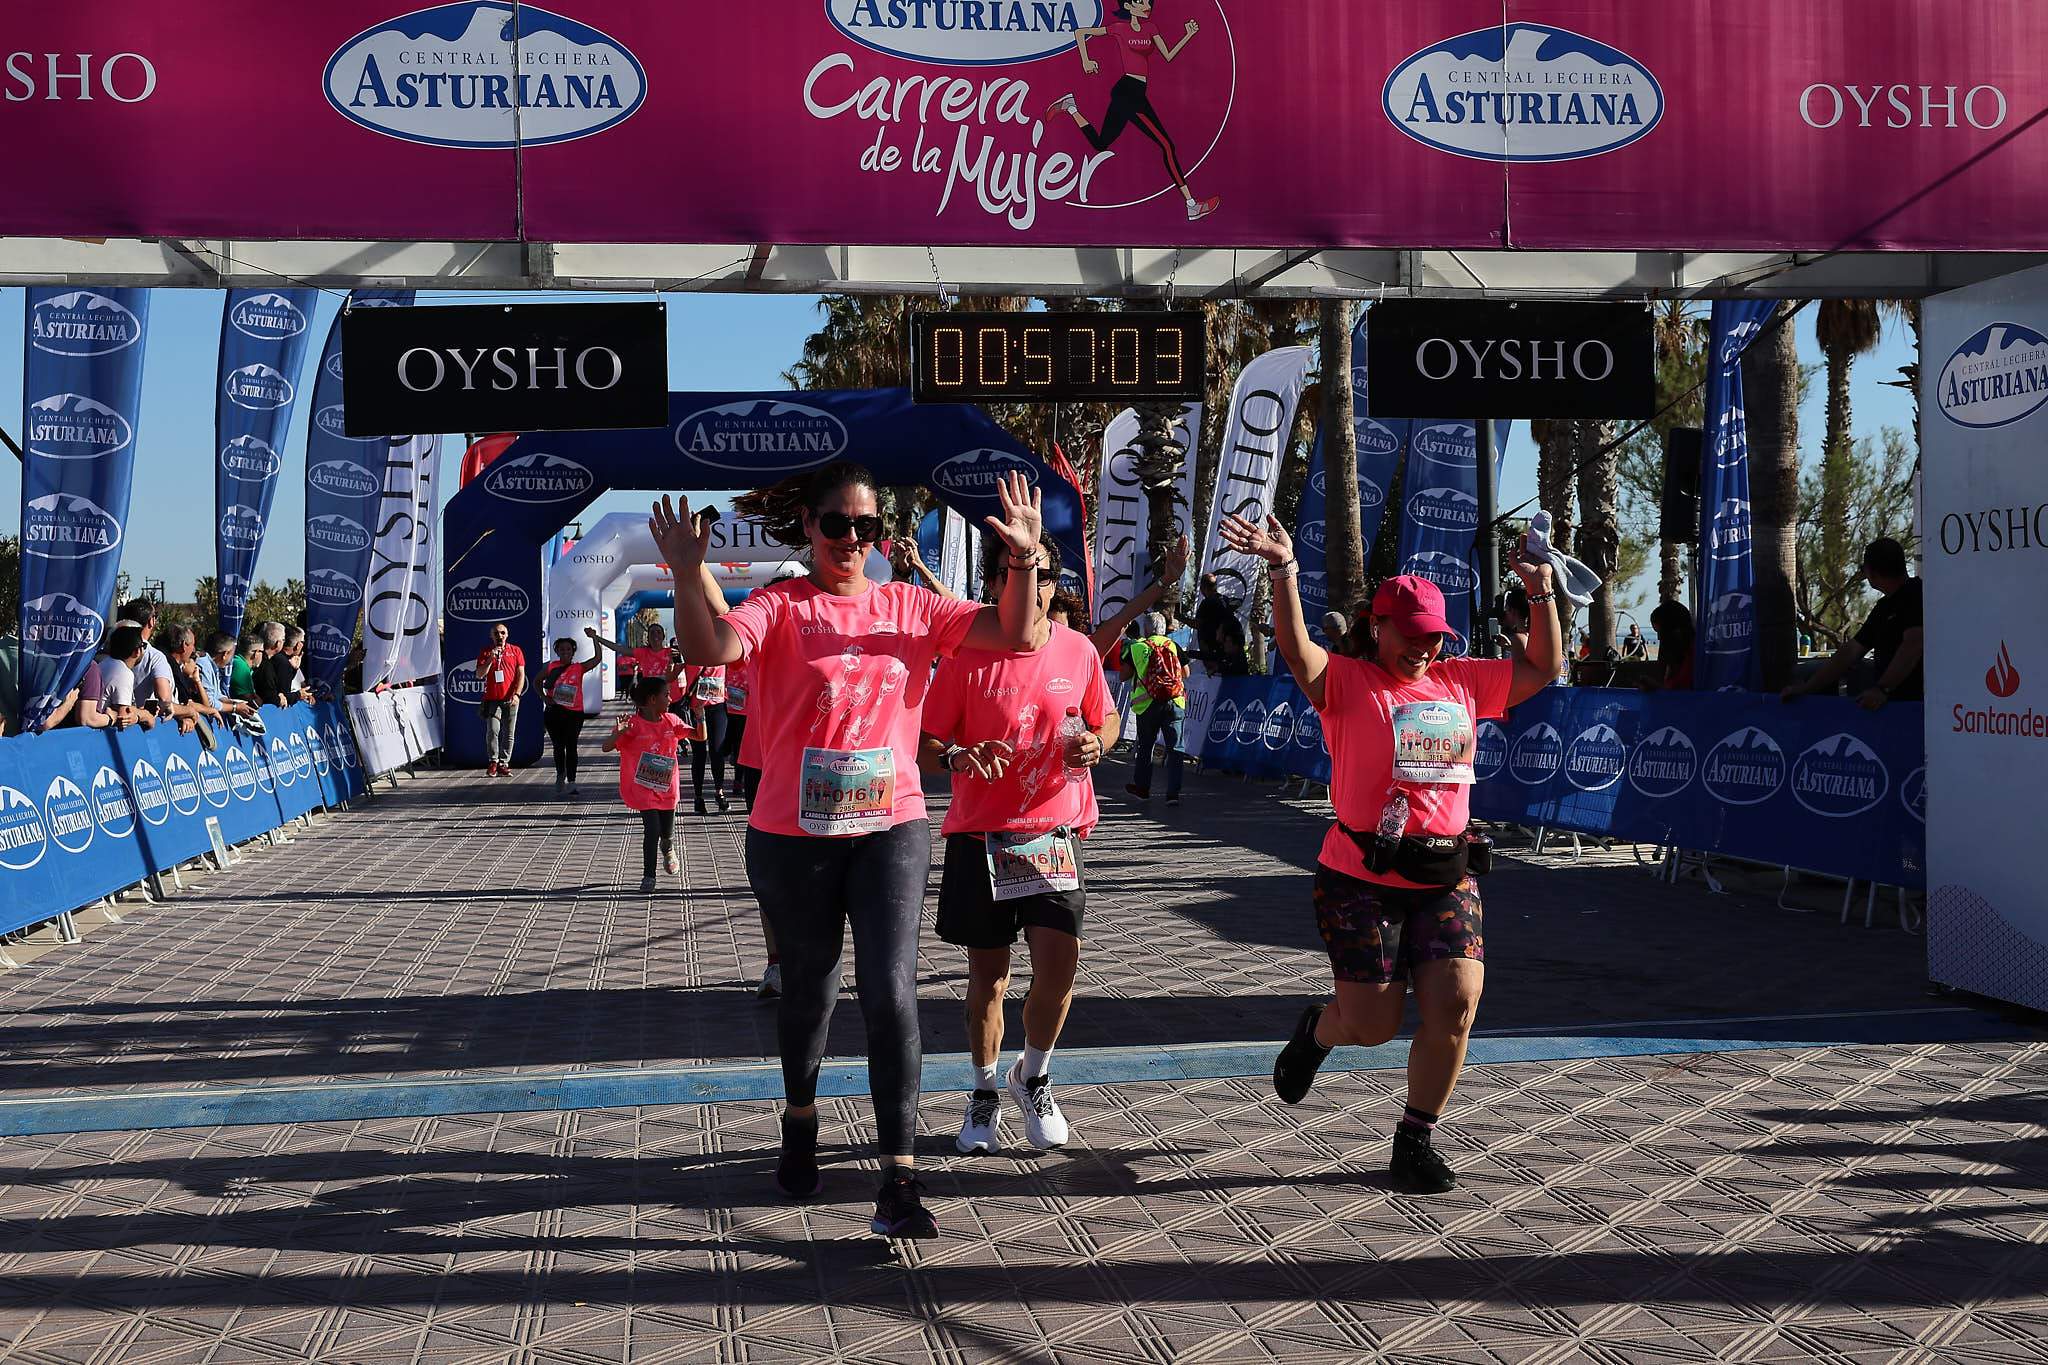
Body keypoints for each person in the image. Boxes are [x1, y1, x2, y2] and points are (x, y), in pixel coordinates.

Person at [649, 463, 1040, 1241]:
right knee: (811, 990)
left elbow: (1017, 633)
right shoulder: (782, 606)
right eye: (837, 524)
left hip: (890, 825)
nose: (851, 539)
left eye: (866, 527)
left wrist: (1025, 558)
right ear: (810, 526)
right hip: (792, 834)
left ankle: (899, 1179)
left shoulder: (911, 605)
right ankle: (800, 1116)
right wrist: (689, 574)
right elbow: (711, 646)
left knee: (890, 988)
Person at [1217, 511, 1561, 1194]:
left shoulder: (1463, 680)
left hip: (1446, 873)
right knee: (1372, 1024)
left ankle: (1415, 1137)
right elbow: (1297, 652)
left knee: (1457, 1002)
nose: (1423, 648)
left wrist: (1542, 590)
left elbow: (1544, 666)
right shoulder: (1347, 681)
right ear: (1378, 627)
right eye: (1411, 634)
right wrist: (1284, 570)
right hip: (1361, 877)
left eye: (1434, 636)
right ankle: (1318, 1032)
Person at [920, 532, 1118, 1156]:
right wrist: (958, 755)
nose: (1031, 589)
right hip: (981, 837)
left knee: (1059, 968)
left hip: (1054, 834)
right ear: (993, 586)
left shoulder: (1078, 649)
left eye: (1042, 577)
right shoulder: (964, 657)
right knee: (990, 975)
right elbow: (925, 746)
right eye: (1013, 576)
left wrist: (1099, 743)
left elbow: (1106, 716)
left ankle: (1033, 1076)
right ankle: (983, 1090)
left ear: (1052, 586)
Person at [1046, 0, 1219, 222]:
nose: (1147, 5)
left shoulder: (1151, 28)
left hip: (1136, 93)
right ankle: (1191, 205)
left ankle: (1070, 107)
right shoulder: (1119, 28)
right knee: (1166, 145)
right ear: (1128, 6)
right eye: (1140, 2)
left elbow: (1168, 56)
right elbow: (1080, 33)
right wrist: (1086, 60)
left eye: (1148, 1)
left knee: (1100, 144)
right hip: (1127, 91)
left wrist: (1188, 35)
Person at [1780, 536, 1923, 709]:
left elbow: (1914, 643)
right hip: (1890, 704)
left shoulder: (1917, 595)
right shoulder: (1884, 607)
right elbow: (1852, 651)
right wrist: (1808, 688)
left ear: (1872, 573)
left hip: (1918, 707)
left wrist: (1882, 689)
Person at [600, 671, 690, 893]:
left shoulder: (671, 720)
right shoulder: (632, 725)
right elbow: (606, 747)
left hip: (667, 789)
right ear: (652, 699)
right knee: (652, 829)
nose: (670, 699)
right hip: (643, 788)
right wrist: (619, 733)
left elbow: (699, 736)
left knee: (666, 832)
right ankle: (649, 876)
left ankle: (668, 848)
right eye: (666, 695)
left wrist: (701, 716)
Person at [1118, 611, 1185, 805]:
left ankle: (1142, 789)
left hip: (1147, 704)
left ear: (1146, 629)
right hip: (1174, 701)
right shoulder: (1174, 646)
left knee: (1146, 746)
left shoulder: (1137, 647)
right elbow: (1186, 672)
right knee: (1175, 749)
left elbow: (1123, 676)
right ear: (1163, 629)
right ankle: (1173, 794)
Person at [539, 631, 603, 795]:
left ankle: (572, 782)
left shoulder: (578, 667)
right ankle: (561, 774)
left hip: (574, 713)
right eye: (562, 649)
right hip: (555, 712)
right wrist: (545, 698)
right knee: (558, 746)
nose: (565, 652)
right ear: (557, 651)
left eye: (568, 649)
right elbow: (536, 681)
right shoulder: (551, 666)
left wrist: (594, 638)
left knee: (572, 746)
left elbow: (597, 659)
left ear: (573, 651)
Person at [681, 658, 732, 815]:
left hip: (717, 706)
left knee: (717, 751)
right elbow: (672, 676)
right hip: (696, 708)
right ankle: (698, 797)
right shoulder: (690, 652)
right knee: (699, 754)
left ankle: (719, 792)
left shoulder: (721, 652)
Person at [477, 622, 527, 776]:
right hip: (492, 699)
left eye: (502, 633)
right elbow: (479, 674)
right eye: (496, 633)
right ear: (491, 636)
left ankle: (504, 763)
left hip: (510, 699)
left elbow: (521, 675)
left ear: (507, 634)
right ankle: (493, 761)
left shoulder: (516, 651)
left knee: (509, 733)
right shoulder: (486, 651)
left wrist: (517, 694)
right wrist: (490, 659)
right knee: (493, 730)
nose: (500, 636)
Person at [93, 625, 156, 732]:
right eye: (143, 646)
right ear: (136, 651)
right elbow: (124, 717)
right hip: (101, 734)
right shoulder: (123, 673)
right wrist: (146, 715)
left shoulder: (104, 664)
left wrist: (138, 710)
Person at [1192, 573, 1249, 675]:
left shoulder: (1207, 603)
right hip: (1224, 649)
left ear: (1203, 588)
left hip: (1216, 649)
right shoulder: (1224, 599)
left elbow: (1197, 624)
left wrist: (1179, 617)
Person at [1643, 601, 1695, 692]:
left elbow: (1681, 690)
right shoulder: (1678, 654)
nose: (1659, 638)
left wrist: (1656, 687)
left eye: (1661, 632)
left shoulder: (1693, 655)